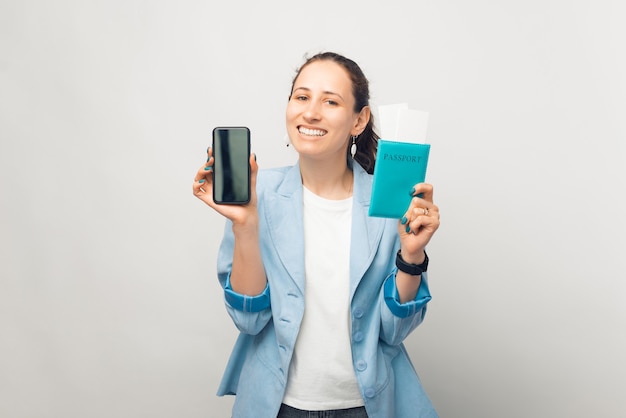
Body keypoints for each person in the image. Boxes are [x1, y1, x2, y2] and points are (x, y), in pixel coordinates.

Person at [193, 52, 440, 418]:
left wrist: (412, 257)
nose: (310, 112)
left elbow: (394, 331)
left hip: (367, 405)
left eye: (330, 101)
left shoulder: (389, 203)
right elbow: (249, 320)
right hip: (278, 406)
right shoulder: (259, 195)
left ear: (359, 120)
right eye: (301, 97)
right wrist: (245, 226)